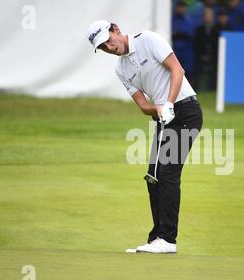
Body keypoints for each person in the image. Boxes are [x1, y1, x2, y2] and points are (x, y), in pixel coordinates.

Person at [86, 20, 203, 254]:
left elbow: (176, 69)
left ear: (116, 30)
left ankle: (168, 240)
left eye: (109, 41)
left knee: (168, 174)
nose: (110, 48)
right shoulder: (121, 70)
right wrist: (159, 109)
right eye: (104, 48)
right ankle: (157, 238)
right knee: (154, 176)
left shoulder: (148, 40)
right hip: (164, 117)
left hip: (186, 110)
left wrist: (168, 103)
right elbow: (142, 105)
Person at [194, 7, 219, 90]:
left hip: (215, 59)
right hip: (201, 59)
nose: (208, 17)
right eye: (206, 15)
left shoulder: (217, 30)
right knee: (201, 78)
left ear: (213, 17)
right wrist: (202, 56)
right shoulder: (199, 30)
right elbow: (196, 45)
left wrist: (212, 56)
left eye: (209, 15)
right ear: (203, 16)